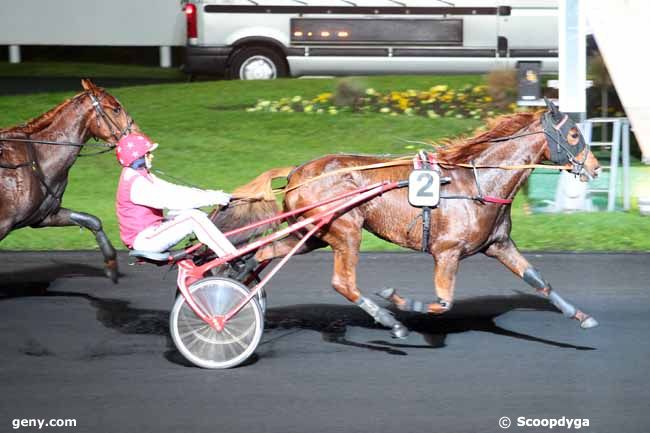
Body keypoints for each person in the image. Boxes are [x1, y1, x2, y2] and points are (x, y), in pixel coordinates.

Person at [115, 132, 236, 257]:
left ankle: (215, 251)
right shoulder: (137, 184)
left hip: (152, 232)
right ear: (138, 158)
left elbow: (174, 189)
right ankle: (231, 256)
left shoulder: (141, 175)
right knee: (193, 217)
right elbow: (173, 200)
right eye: (148, 154)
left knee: (195, 213)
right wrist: (211, 199)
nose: (151, 157)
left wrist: (210, 194)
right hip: (145, 240)